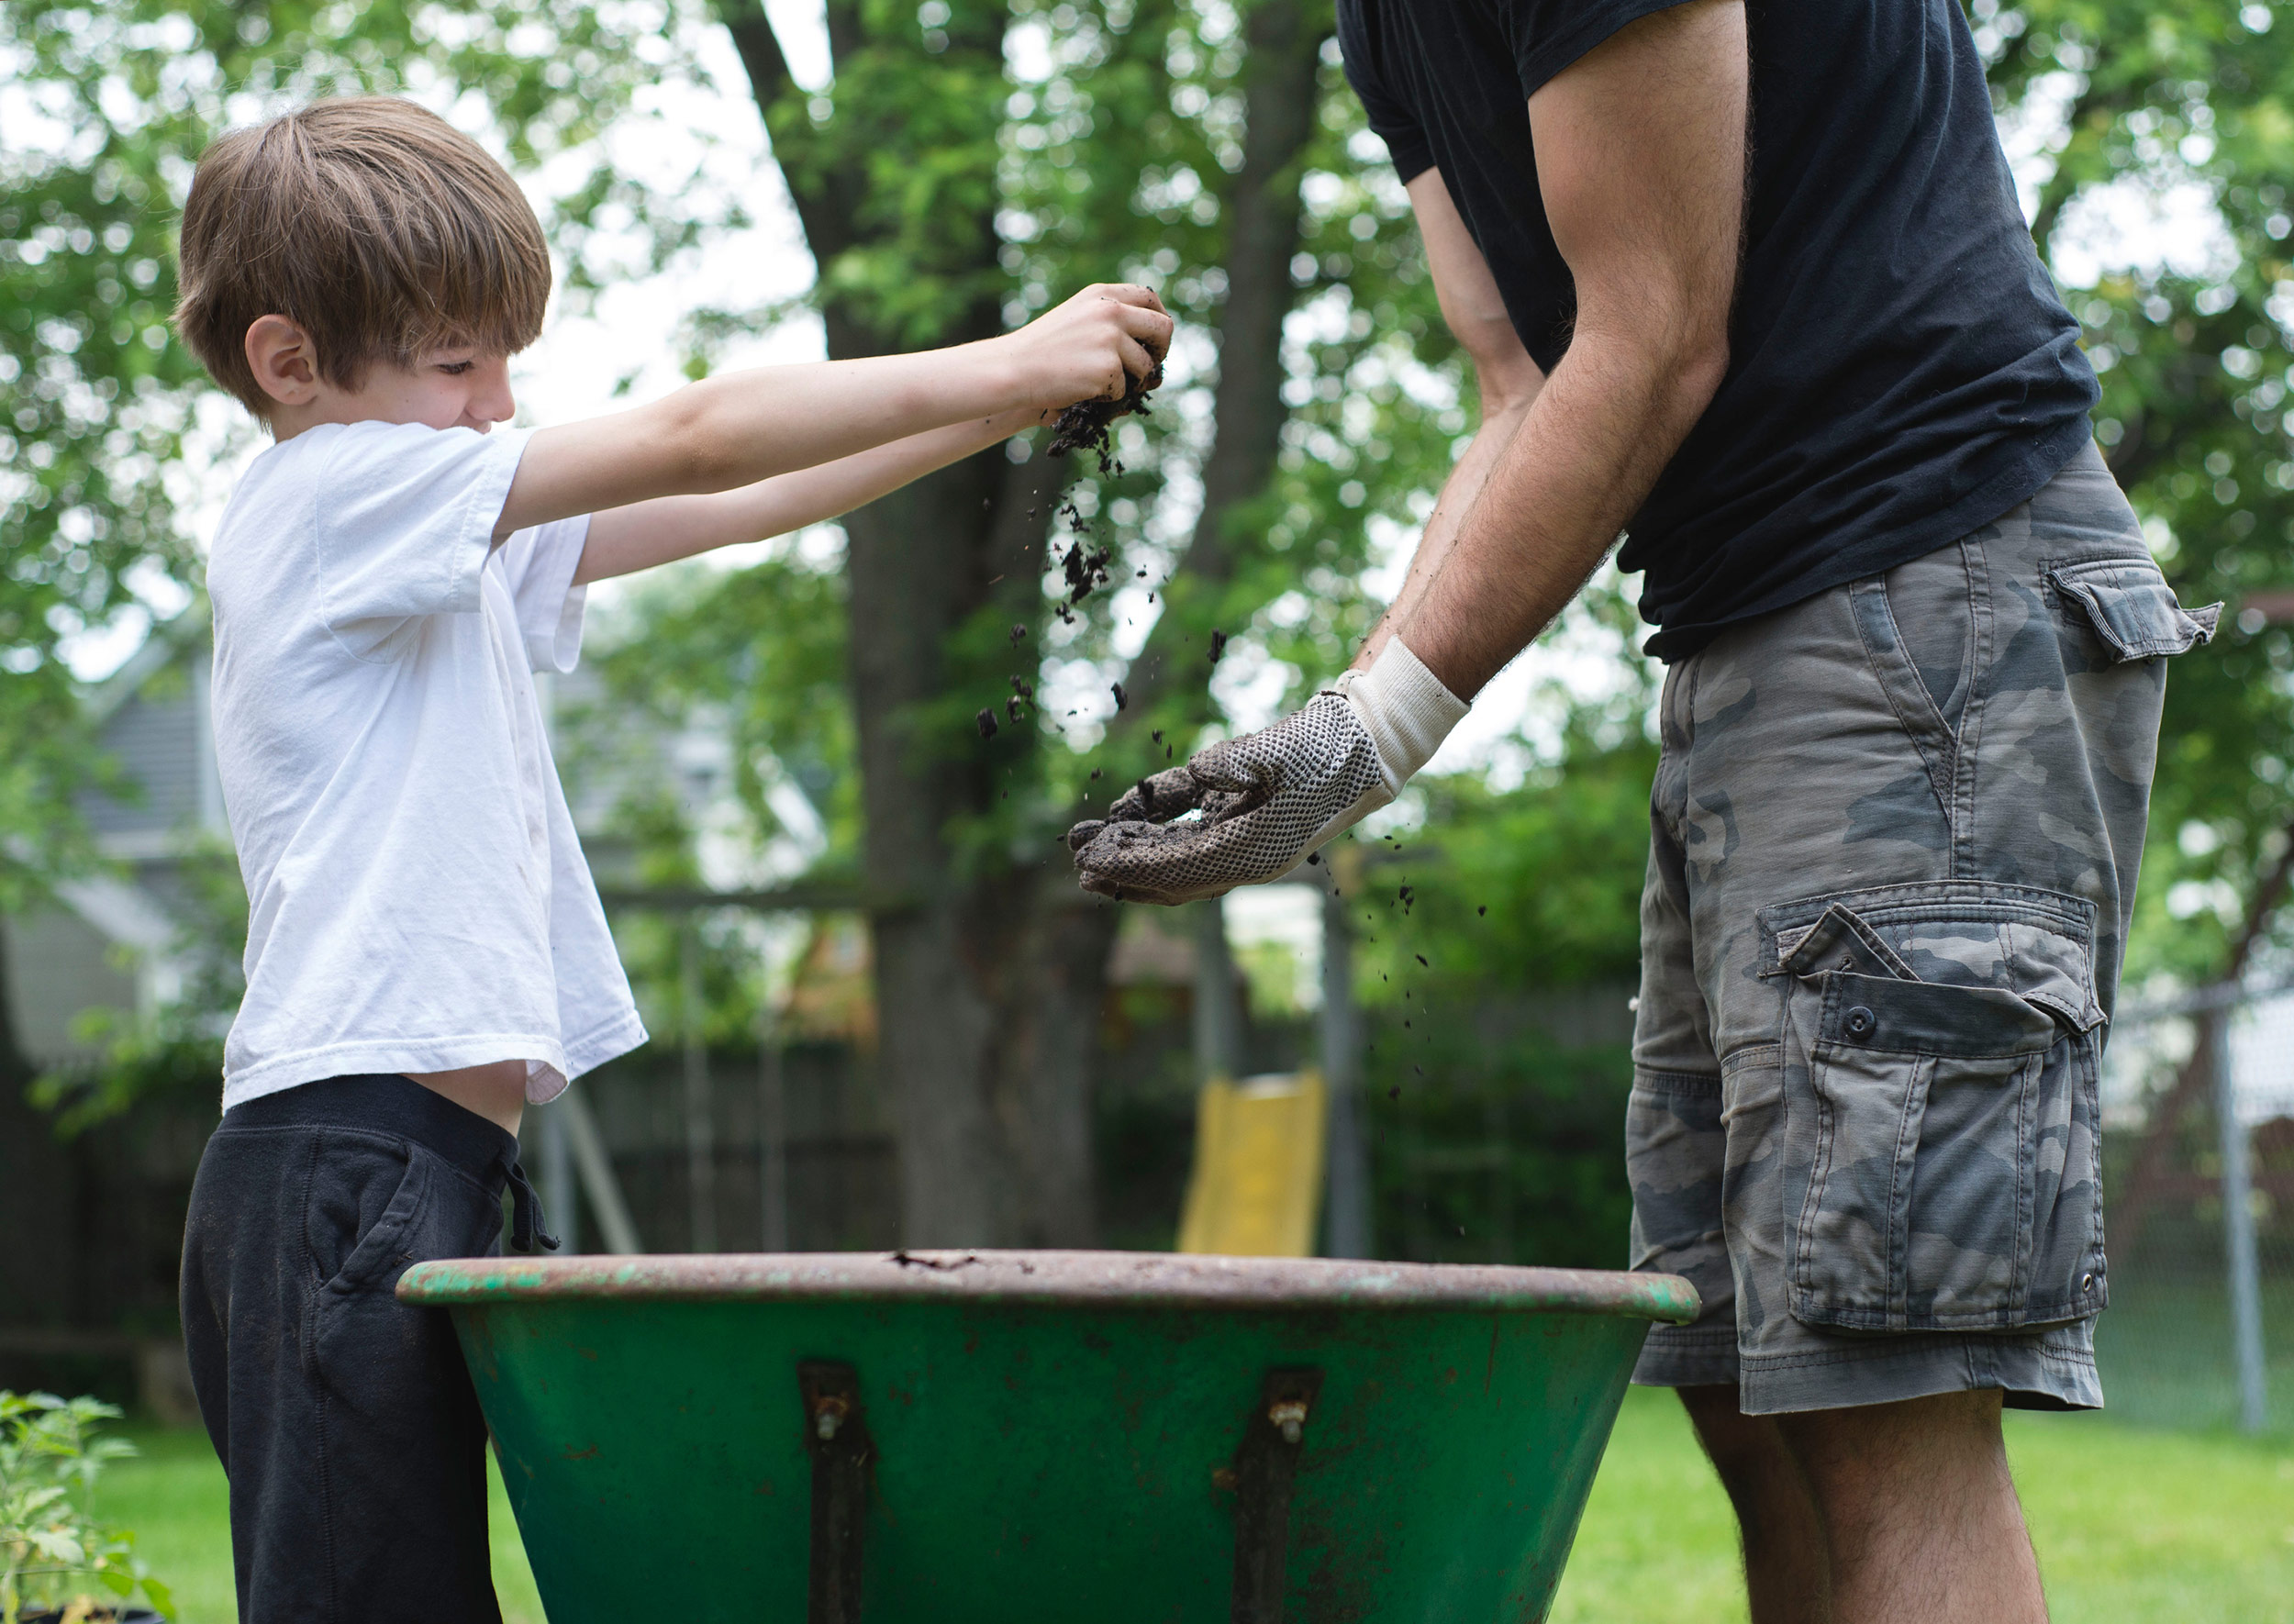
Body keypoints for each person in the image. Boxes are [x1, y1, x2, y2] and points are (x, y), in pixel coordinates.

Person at [1066, 4, 2218, 1619]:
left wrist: (1368, 737)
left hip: (1927, 589)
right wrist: (1335, 716)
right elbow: (1523, 383)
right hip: (1753, 632)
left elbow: (1659, 329)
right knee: (1747, 1383)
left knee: (1887, 1394)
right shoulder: (1379, 23)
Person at [171, 95, 1169, 1624]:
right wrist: (1014, 355)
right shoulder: (328, 501)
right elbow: (695, 427)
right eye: (457, 362)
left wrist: (995, 417)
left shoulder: (428, 520)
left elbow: (733, 494)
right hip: (339, 1166)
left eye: (508, 359)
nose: (499, 402)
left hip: (414, 1163)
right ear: (289, 362)